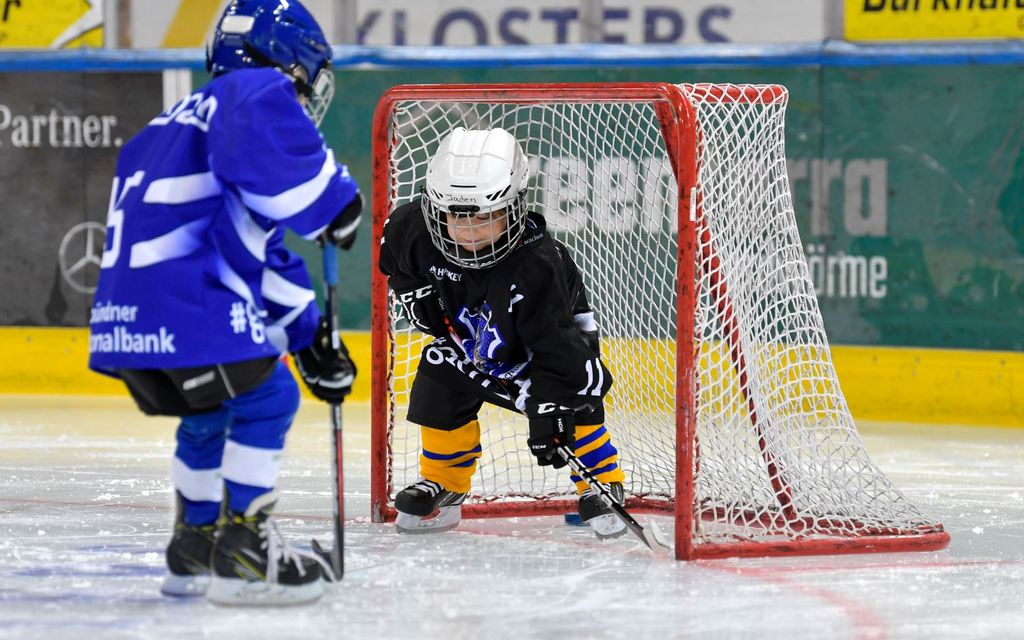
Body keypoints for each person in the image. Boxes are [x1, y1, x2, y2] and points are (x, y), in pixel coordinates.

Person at [88, 0, 360, 606]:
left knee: (211, 412)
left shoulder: (172, 127)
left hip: (130, 319)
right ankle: (243, 553)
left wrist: (310, 338)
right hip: (189, 303)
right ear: (286, 66)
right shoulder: (251, 92)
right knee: (269, 397)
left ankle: (194, 548)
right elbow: (307, 196)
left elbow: (257, 254)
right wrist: (333, 199)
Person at [378, 127, 628, 539]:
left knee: (575, 405)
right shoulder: (413, 230)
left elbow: (560, 349)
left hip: (542, 357)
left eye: (486, 218)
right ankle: (444, 484)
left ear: (514, 208)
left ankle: (601, 483)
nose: (471, 231)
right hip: (472, 347)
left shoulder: (538, 264)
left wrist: (548, 407)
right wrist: (411, 288)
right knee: (438, 371)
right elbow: (395, 259)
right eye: (459, 218)